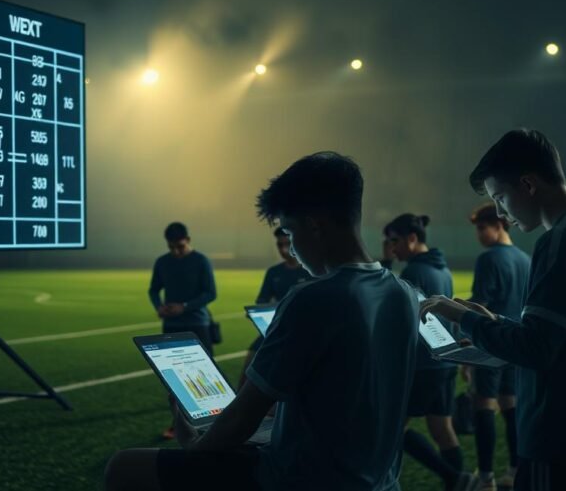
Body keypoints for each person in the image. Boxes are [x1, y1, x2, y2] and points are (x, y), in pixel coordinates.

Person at [106, 151, 420, 491]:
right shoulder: (404, 294)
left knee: (123, 467)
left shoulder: (313, 298)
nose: (293, 250)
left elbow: (242, 419)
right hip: (381, 482)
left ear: (315, 222)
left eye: (290, 230)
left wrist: (194, 444)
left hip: (305, 480)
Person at [420, 129, 566, 491]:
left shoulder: (563, 241)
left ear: (528, 184)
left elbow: (535, 349)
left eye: (501, 198)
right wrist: (494, 321)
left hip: (562, 442)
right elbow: (556, 337)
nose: (502, 215)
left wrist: (462, 317)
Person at [384, 214, 472, 491]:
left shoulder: (413, 273)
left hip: (423, 364)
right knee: (443, 430)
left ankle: (454, 477)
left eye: (394, 241)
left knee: (392, 430)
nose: (391, 248)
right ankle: (459, 483)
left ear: (412, 238)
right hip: (446, 360)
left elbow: (403, 322)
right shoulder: (441, 269)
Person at [466, 203, 531, 490]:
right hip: (516, 342)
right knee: (511, 405)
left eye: (482, 228)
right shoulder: (526, 259)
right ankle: (516, 471)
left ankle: (486, 477)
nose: (479, 235)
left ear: (499, 225)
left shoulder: (488, 259)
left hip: (490, 343)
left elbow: (480, 305)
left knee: (484, 406)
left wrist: (467, 354)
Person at [148, 222, 218, 439]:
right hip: (171, 325)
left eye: (179, 246)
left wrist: (184, 307)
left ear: (188, 240)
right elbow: (153, 289)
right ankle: (178, 423)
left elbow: (211, 293)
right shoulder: (162, 262)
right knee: (174, 379)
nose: (176, 252)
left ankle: (211, 421)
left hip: (198, 323)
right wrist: (159, 306)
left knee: (204, 376)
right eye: (171, 247)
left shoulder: (200, 261)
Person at [238, 227, 311, 387]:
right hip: (274, 327)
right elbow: (262, 299)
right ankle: (240, 402)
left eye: (287, 243)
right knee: (251, 357)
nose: (284, 249)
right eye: (280, 244)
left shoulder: (310, 270)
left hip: (300, 330)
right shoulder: (274, 272)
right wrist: (256, 312)